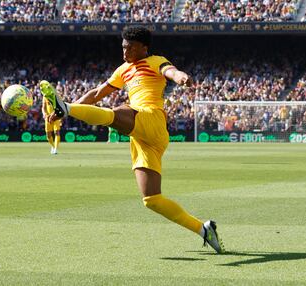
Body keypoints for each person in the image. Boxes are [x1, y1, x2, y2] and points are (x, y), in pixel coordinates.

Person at [41, 26, 224, 253]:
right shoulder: (123, 70)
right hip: (143, 137)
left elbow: (170, 71)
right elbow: (97, 94)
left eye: (130, 47)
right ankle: (204, 229)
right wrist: (72, 108)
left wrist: (180, 77)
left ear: (143, 48)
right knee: (152, 199)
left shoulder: (156, 60)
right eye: (123, 47)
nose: (125, 51)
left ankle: (67, 108)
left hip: (151, 118)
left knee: (117, 112)